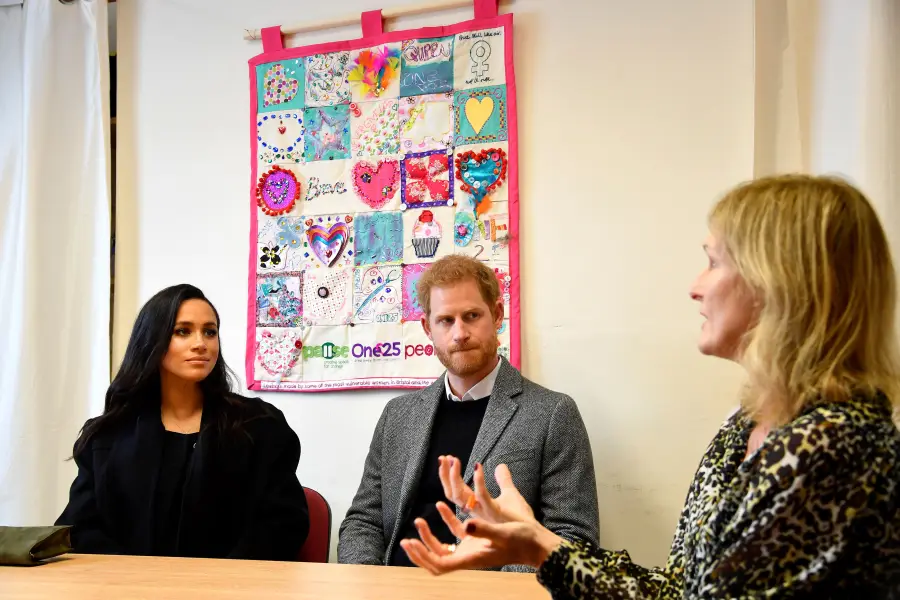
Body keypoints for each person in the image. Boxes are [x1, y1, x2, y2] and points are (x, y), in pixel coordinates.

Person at [400, 175, 900, 598]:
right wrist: (534, 543)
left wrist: (537, 549)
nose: (695, 286)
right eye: (445, 320)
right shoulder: (744, 427)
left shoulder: (834, 445)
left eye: (715, 260)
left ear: (781, 282)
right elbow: (681, 588)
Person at [338, 255, 600, 571]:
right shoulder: (397, 415)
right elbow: (363, 520)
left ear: (498, 314)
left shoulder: (553, 413)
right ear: (427, 328)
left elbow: (574, 539)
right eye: (446, 320)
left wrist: (494, 589)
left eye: (472, 316)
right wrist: (370, 584)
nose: (459, 333)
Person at [56, 284, 310, 560]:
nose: (201, 343)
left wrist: (221, 581)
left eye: (210, 332)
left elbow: (283, 523)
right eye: (183, 331)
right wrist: (133, 580)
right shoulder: (108, 435)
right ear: (153, 340)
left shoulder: (259, 426)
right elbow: (80, 528)